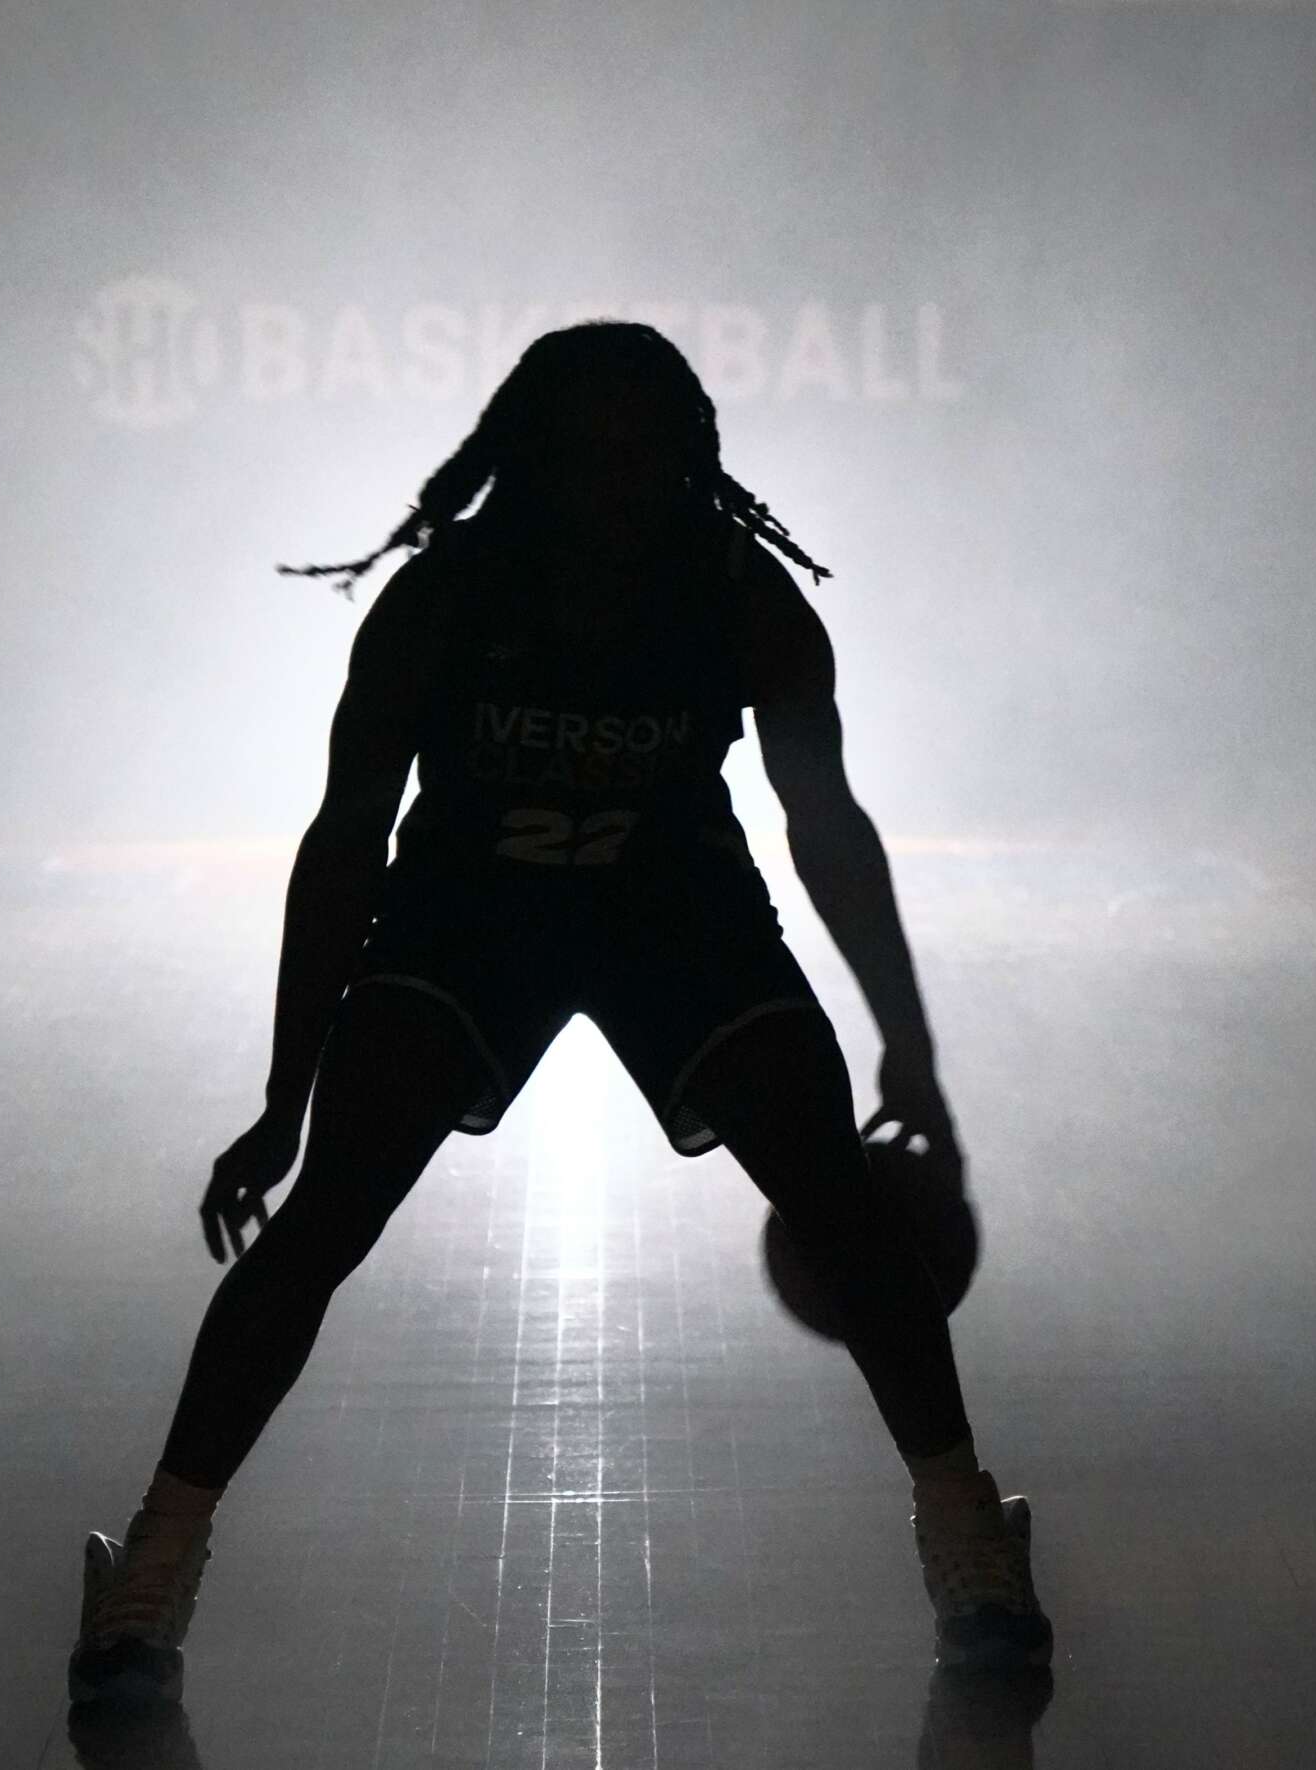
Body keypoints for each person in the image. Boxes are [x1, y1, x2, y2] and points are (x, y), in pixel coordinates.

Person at [67, 320, 1052, 1705]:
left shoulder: (744, 596)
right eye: (587, 453)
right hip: (470, 913)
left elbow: (824, 819)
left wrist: (911, 1042)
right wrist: (285, 1096)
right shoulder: (440, 601)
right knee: (325, 1217)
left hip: (677, 910)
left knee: (838, 1194)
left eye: (640, 453)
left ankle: (967, 1535)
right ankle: (155, 1562)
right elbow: (345, 838)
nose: (614, 482)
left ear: (684, 462)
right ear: (529, 459)